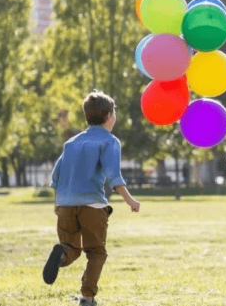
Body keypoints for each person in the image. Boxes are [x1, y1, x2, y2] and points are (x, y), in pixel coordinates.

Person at [42, 90, 141, 306]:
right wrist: (130, 201)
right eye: (114, 113)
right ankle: (87, 298)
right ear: (108, 116)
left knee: (71, 249)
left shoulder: (72, 143)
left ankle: (61, 255)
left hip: (65, 204)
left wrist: (57, 204)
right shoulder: (109, 141)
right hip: (93, 206)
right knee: (96, 252)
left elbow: (56, 176)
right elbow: (114, 176)